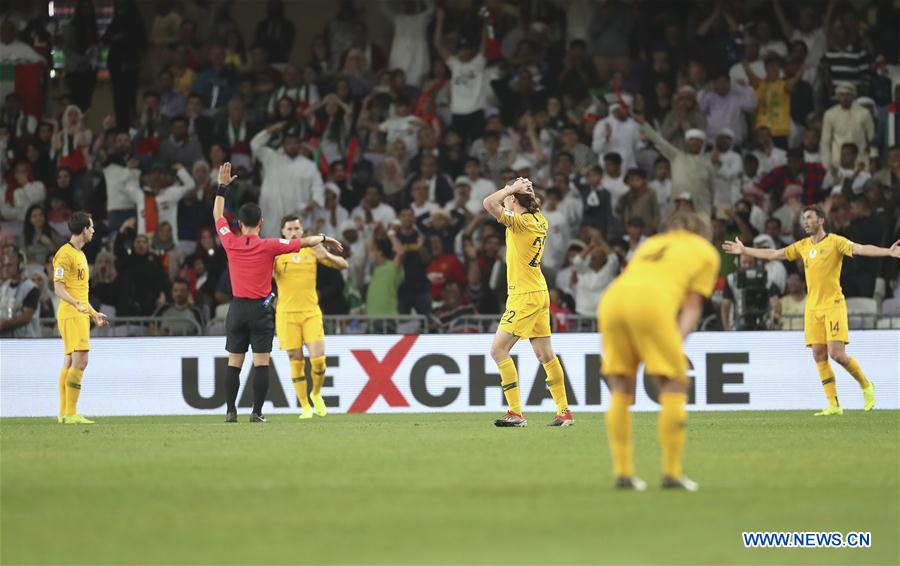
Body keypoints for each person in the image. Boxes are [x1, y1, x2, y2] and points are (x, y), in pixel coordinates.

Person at [723, 206, 900, 416]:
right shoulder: (803, 246)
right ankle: (833, 404)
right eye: (803, 219)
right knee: (818, 354)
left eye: (809, 218)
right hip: (813, 307)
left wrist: (888, 251)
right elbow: (773, 254)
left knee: (837, 354)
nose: (805, 222)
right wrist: (745, 250)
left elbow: (861, 248)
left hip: (833, 304)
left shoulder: (836, 242)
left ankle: (866, 385)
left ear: (821, 220)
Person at [599, 211, 720, 491]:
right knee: (674, 384)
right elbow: (692, 306)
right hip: (651, 305)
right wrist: (677, 340)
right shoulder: (705, 251)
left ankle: (623, 473)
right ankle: (672, 473)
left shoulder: (651, 243)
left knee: (621, 386)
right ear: (703, 231)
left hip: (612, 302)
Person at [213, 163, 342, 423]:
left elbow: (217, 216)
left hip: (236, 309)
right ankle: (257, 413)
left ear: (239, 223)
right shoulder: (269, 245)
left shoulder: (230, 241)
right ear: (261, 223)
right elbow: (303, 242)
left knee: (233, 363)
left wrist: (221, 187)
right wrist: (325, 237)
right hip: (261, 310)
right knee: (261, 362)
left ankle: (230, 412)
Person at [482, 177, 573, 427]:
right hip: (539, 291)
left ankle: (515, 412)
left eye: (509, 196)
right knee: (545, 355)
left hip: (524, 296)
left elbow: (488, 203)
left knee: (498, 350)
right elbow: (525, 204)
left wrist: (511, 188)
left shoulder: (520, 223)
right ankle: (564, 412)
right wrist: (524, 189)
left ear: (512, 199)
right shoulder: (539, 220)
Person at [273, 214, 348, 420]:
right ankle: (305, 406)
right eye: (289, 229)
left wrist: (326, 255)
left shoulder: (312, 249)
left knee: (318, 360)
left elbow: (343, 265)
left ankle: (316, 393)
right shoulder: (276, 254)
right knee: (295, 360)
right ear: (282, 232)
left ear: (303, 230)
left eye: (297, 229)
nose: (294, 232)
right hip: (286, 314)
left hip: (310, 312)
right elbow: (262, 278)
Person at [51, 212, 109, 424]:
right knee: (81, 360)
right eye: (91, 227)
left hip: (78, 313)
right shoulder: (64, 254)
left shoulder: (80, 255)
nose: (93, 230)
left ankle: (64, 414)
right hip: (71, 313)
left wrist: (93, 314)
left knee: (69, 360)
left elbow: (80, 292)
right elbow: (58, 287)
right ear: (84, 229)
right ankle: (71, 412)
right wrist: (74, 304)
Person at [250, 122, 324, 238]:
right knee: (272, 250)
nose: (292, 146)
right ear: (283, 145)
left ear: (300, 145)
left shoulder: (309, 165)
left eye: (295, 143)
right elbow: (254, 144)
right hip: (272, 213)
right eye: (288, 143)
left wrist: (315, 200)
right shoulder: (271, 158)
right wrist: (272, 129)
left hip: (297, 213)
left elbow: (317, 185)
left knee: (296, 252)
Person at [0, 249, 40, 338]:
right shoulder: (4, 287)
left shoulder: (31, 288)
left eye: (9, 265)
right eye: (5, 265)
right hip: (6, 339)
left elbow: (26, 317)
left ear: (21, 266)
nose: (5, 268)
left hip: (25, 340)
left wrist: (5, 324)